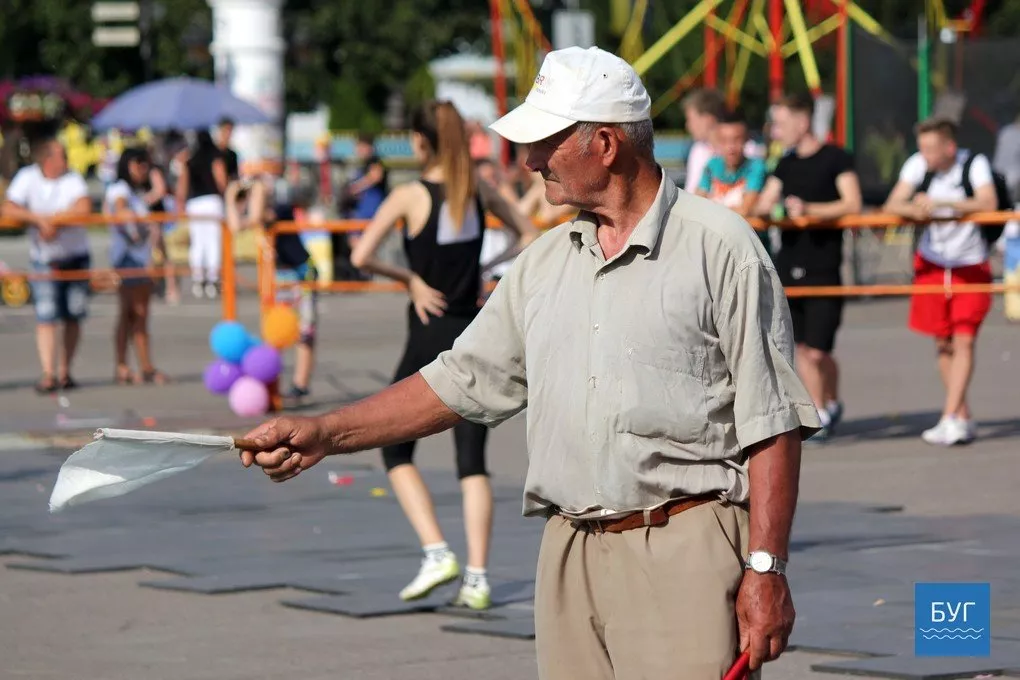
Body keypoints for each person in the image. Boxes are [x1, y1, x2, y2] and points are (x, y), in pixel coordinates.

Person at [240, 47, 820, 677]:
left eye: (545, 141)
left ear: (605, 144)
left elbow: (772, 424)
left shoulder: (721, 249)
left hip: (684, 550)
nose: (529, 160)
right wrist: (326, 433)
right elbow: (458, 381)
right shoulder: (543, 264)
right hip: (568, 554)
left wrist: (766, 568)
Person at [347, 100, 537, 611]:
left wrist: (411, 280)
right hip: (471, 333)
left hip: (427, 332)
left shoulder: (409, 195)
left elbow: (361, 255)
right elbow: (527, 233)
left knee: (395, 449)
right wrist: (489, 271)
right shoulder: (477, 190)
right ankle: (478, 577)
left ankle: (436, 551)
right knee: (472, 461)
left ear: (420, 141)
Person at [882, 118, 998, 446]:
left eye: (932, 148)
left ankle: (949, 416)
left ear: (949, 147)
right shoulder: (918, 165)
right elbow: (893, 204)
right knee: (943, 343)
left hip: (969, 264)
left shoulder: (974, 164)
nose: (926, 155)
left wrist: (945, 205)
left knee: (965, 340)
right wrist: (915, 209)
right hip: (933, 262)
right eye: (922, 148)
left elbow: (987, 202)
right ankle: (961, 415)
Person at [756, 93, 862, 442]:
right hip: (790, 264)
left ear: (803, 122)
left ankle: (828, 402)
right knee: (803, 348)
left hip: (824, 265)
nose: (776, 131)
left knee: (819, 350)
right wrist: (764, 207)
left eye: (782, 124)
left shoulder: (836, 158)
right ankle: (819, 410)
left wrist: (810, 210)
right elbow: (764, 202)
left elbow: (852, 203)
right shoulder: (785, 164)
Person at [2, 139, 92, 393]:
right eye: (62, 155)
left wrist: (55, 222)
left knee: (74, 314)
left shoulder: (72, 178)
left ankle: (65, 371)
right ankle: (48, 373)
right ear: (48, 160)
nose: (67, 160)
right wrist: (39, 220)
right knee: (46, 315)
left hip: (75, 256)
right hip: (44, 259)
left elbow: (83, 207)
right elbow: (9, 209)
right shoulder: (28, 177)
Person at [225, 177, 319, 401]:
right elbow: (235, 226)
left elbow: (255, 217)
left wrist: (254, 188)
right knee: (275, 330)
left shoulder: (280, 208)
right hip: (280, 275)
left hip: (301, 272)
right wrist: (231, 198)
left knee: (304, 331)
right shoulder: (261, 212)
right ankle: (273, 385)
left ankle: (300, 385)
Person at [104, 147, 168, 385]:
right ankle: (138, 366)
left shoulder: (135, 192)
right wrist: (131, 216)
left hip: (138, 257)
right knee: (135, 313)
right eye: (139, 164)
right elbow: (120, 208)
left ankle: (132, 366)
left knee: (133, 314)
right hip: (129, 258)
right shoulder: (120, 189)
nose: (143, 169)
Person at [696, 108, 771, 255]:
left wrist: (709, 211)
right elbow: (697, 205)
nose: (730, 147)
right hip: (717, 249)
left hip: (752, 250)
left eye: (737, 140)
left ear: (746, 139)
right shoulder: (711, 166)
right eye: (724, 141)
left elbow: (745, 210)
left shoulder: (756, 167)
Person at [175, 130, 228, 299]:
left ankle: (198, 279)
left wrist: (181, 202)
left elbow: (183, 184)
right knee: (213, 242)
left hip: (195, 204)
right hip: (212, 202)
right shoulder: (214, 156)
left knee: (197, 242)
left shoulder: (189, 160)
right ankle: (213, 279)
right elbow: (221, 180)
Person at [682, 87, 727, 193]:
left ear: (708, 119)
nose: (688, 125)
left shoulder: (748, 150)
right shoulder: (699, 150)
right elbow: (691, 192)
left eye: (690, 119)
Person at [217, 117, 240, 181]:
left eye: (230, 130)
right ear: (220, 130)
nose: (228, 133)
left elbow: (235, 176)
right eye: (226, 130)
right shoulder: (212, 153)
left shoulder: (232, 155)